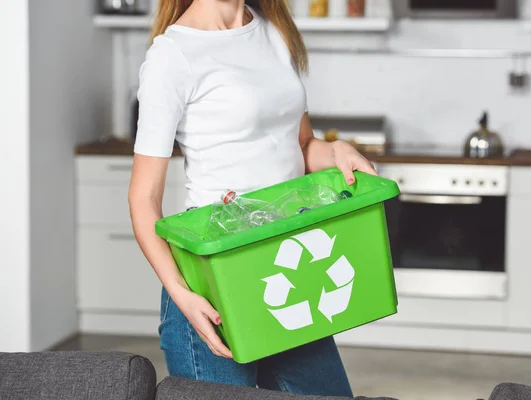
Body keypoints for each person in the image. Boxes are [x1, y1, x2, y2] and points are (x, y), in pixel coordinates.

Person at [128, 0, 376, 396]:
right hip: (213, 276)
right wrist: (182, 294)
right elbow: (143, 199)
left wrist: (336, 151)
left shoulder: (274, 30)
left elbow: (301, 144)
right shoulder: (172, 55)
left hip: (286, 262)